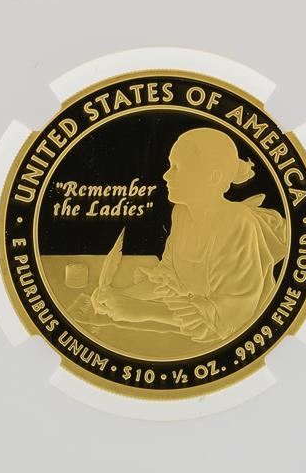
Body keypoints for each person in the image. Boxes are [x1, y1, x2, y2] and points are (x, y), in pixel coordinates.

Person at [91, 127, 287, 343]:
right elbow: (170, 280)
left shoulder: (237, 224)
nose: (166, 175)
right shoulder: (182, 213)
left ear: (213, 177)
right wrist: (121, 295)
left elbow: (228, 320)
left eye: (177, 167)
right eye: (170, 166)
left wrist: (143, 311)